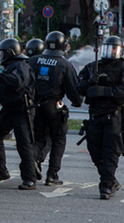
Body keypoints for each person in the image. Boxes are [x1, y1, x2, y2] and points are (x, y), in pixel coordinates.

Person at [76, 36, 124, 200]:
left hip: (113, 116)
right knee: (95, 151)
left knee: (110, 152)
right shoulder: (92, 67)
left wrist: (104, 92)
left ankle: (106, 186)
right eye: (108, 48)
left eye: (114, 49)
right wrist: (90, 82)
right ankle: (110, 180)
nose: (111, 52)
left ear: (120, 50)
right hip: (95, 116)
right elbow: (78, 88)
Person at [28, 31, 83, 188]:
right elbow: (74, 90)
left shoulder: (33, 61)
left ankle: (32, 160)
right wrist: (78, 102)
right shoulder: (64, 64)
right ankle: (52, 175)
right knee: (58, 138)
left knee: (39, 137)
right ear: (64, 46)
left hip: (34, 106)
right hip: (53, 106)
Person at [0, 38, 34, 187]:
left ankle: (29, 178)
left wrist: (0, 75)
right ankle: (1, 171)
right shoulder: (9, 66)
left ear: (10, 53)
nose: (0, 57)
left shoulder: (21, 66)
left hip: (22, 110)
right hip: (9, 110)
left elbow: (18, 82)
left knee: (23, 144)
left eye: (2, 53)